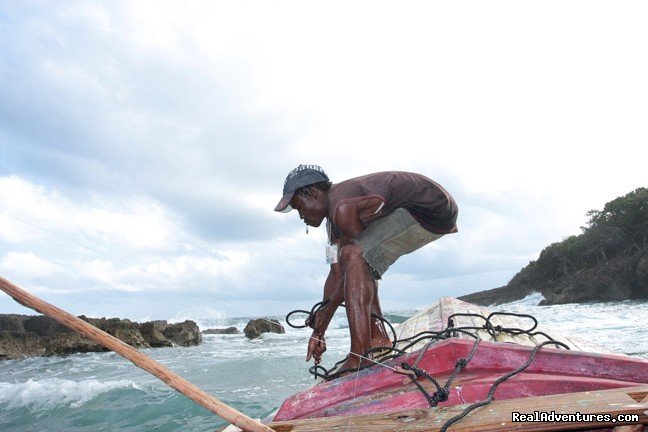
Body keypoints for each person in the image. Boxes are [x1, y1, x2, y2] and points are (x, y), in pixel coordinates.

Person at [274, 164, 458, 372]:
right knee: (356, 258)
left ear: (313, 194)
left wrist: (326, 313)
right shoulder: (333, 224)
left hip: (432, 209)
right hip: (419, 210)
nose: (300, 216)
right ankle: (378, 339)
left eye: (299, 207)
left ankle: (360, 356)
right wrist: (318, 330)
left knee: (354, 255)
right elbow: (336, 273)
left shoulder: (341, 207)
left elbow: (357, 261)